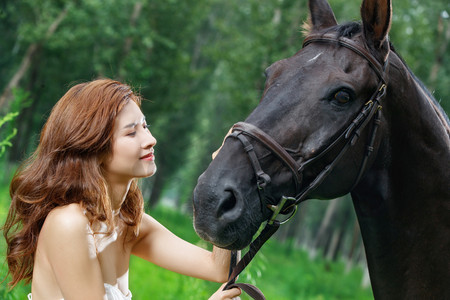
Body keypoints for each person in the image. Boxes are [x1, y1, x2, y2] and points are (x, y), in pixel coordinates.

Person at [2, 79, 241, 300]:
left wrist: (226, 175)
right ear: (94, 148)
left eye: (145, 126)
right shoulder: (68, 223)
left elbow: (218, 269)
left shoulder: (129, 225)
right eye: (131, 132)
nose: (150, 139)